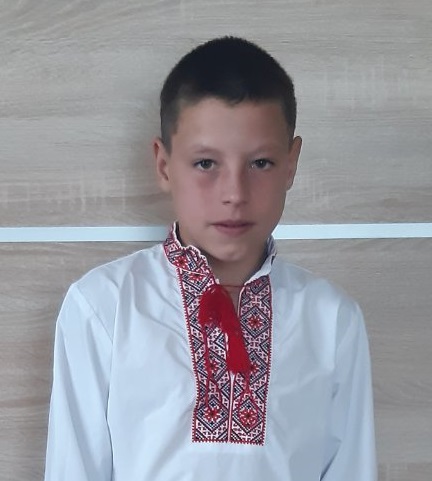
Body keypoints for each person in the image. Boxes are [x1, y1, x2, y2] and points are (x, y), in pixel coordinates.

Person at [44, 36, 377, 480]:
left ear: (291, 163)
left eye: (260, 163)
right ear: (164, 165)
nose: (234, 194)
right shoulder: (103, 306)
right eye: (206, 164)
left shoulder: (332, 319)